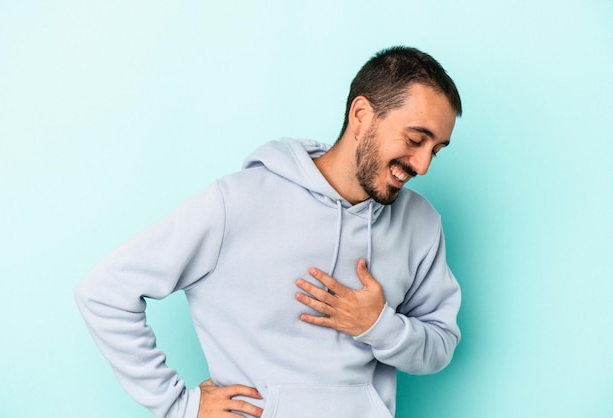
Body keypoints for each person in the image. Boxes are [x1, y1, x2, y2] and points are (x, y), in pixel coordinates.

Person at [75, 45, 462, 418]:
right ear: (361, 115)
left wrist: (379, 325)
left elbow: (440, 345)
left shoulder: (421, 224)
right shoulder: (239, 202)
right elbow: (104, 292)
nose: (423, 165)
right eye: (415, 140)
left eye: (436, 149)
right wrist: (180, 406)